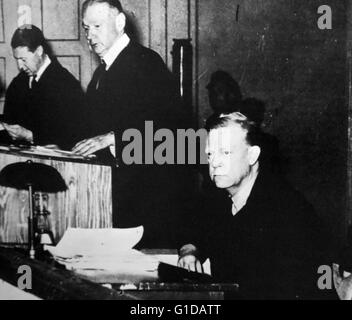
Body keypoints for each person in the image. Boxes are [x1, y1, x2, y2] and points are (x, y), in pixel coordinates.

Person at [178, 112, 336, 299]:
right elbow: (197, 228)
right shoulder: (221, 197)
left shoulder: (286, 208)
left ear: (252, 155)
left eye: (225, 152)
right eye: (210, 153)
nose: (214, 162)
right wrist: (189, 251)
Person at [72, 0, 186, 247]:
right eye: (86, 28)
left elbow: (172, 134)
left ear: (120, 22)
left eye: (97, 26)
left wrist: (112, 137)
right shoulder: (101, 74)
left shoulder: (146, 63)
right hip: (116, 196)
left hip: (149, 203)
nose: (90, 36)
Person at [0, 25, 84, 150]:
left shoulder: (66, 84)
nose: (20, 66)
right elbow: (10, 120)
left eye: (23, 59)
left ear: (39, 51)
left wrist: (29, 135)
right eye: (16, 59)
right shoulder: (17, 84)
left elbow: (74, 135)